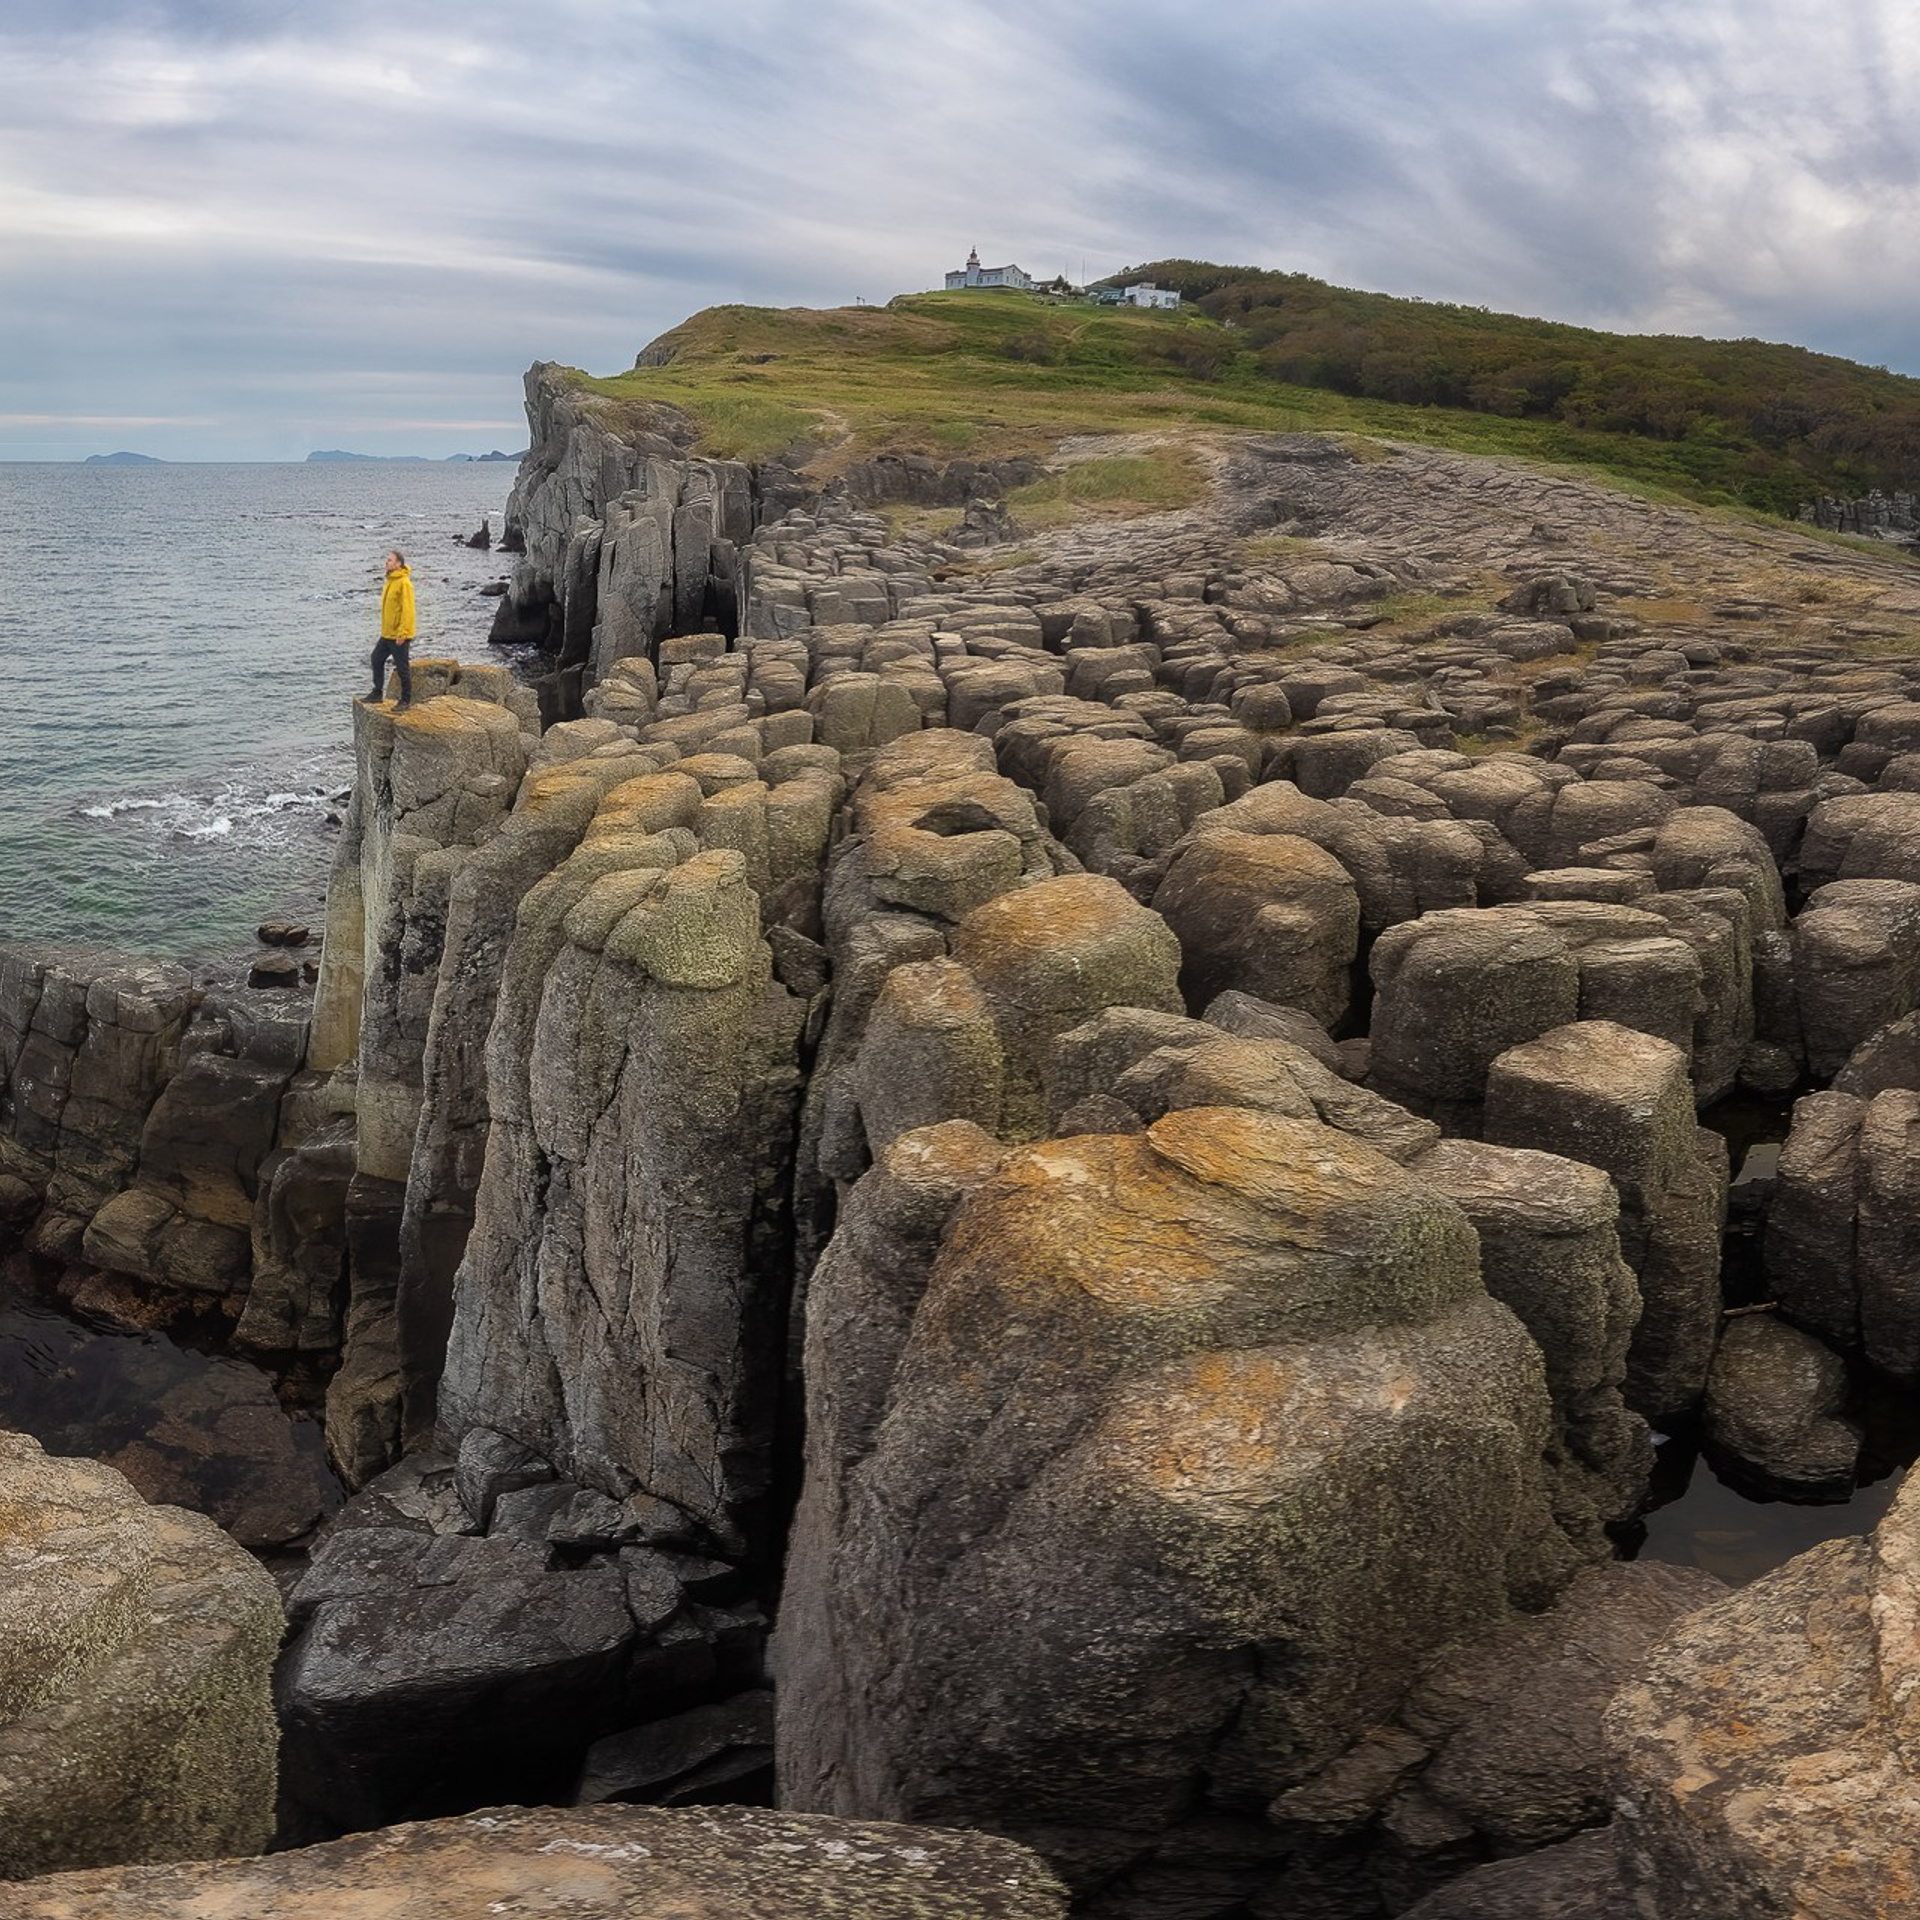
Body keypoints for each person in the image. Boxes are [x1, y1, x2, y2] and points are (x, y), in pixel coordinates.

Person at [364, 550, 416, 709]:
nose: (387, 562)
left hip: (399, 635)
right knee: (376, 659)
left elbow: (408, 610)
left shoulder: (404, 583)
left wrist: (403, 633)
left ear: (398, 564)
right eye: (387, 559)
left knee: (402, 668)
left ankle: (405, 700)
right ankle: (377, 692)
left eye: (390, 560)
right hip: (387, 633)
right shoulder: (390, 580)